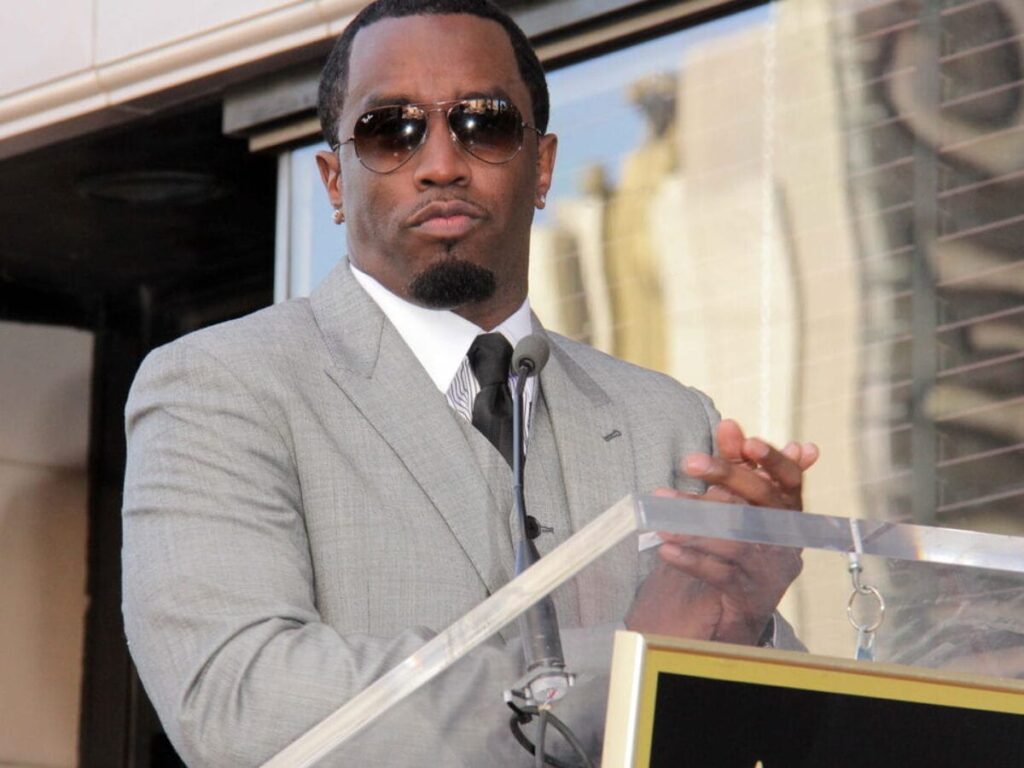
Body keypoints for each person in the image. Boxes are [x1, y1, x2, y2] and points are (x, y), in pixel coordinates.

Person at [121, 1, 818, 765]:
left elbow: (779, 730)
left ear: (542, 166)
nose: (441, 163)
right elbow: (238, 705)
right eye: (391, 130)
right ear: (333, 181)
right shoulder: (222, 387)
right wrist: (628, 662)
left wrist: (747, 614)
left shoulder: (670, 422)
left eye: (483, 124)